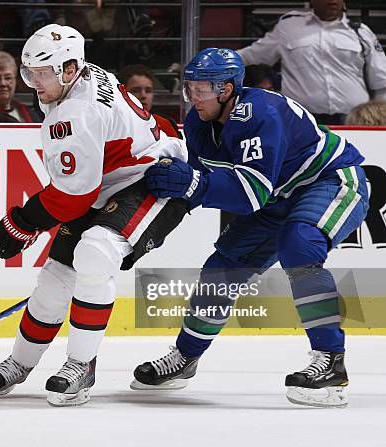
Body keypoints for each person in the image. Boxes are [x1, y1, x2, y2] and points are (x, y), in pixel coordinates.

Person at [132, 48, 369, 408]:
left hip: (329, 181)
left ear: (227, 89)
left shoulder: (261, 113)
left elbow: (250, 193)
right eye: (189, 89)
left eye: (201, 90)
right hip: (278, 196)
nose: (193, 98)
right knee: (221, 268)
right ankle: (186, 357)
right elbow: (194, 190)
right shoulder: (198, 123)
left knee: (299, 245)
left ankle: (330, 361)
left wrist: (192, 184)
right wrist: (141, 233)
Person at [0, 24, 188, 407]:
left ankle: (81, 364)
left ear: (70, 68)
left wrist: (24, 222)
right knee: (55, 279)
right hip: (109, 180)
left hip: (151, 180)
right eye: (30, 73)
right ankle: (21, 361)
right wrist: (28, 222)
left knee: (94, 253)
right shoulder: (79, 77)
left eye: (41, 74)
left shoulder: (77, 112)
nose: (34, 83)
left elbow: (74, 195)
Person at [237, 0, 386, 125]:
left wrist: (378, 119)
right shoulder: (288, 27)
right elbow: (253, 55)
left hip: (352, 120)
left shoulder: (361, 32)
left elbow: (381, 81)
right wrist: (221, 59)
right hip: (302, 120)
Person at [118, 64, 181, 138]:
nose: (143, 96)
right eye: (135, 91)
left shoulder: (165, 123)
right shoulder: (113, 124)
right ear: (122, 93)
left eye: (148, 90)